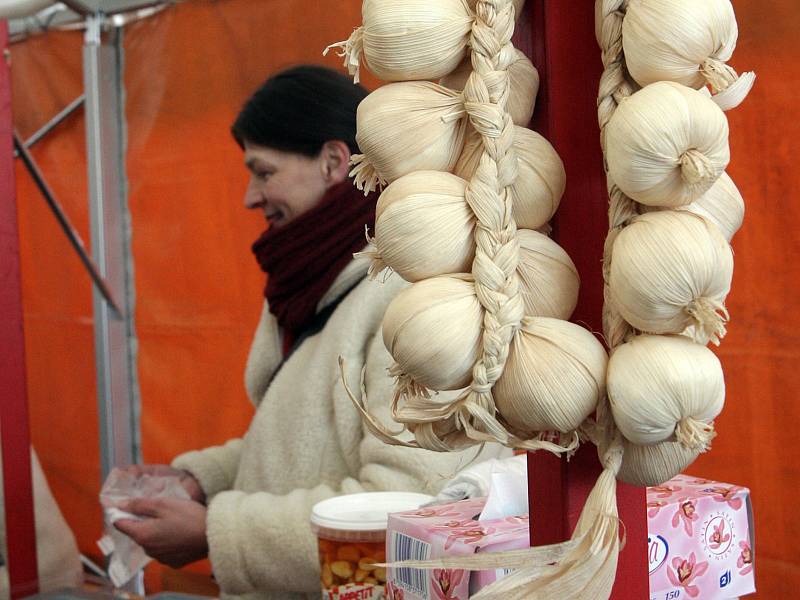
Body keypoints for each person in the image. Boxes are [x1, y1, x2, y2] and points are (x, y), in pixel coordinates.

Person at [114, 65, 504, 599]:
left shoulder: (414, 304)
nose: (251, 196)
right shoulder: (312, 283)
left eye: (263, 171)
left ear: (333, 161)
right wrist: (202, 481)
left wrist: (215, 532)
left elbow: (412, 503)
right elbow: (305, 444)